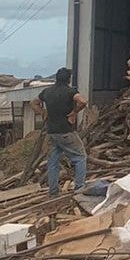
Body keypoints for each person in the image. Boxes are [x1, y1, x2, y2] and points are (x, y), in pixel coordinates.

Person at [36, 67, 88, 198]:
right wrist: (74, 112)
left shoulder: (47, 92)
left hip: (52, 132)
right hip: (66, 131)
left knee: (53, 162)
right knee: (80, 157)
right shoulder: (70, 91)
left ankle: (53, 191)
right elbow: (83, 101)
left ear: (56, 78)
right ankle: (79, 188)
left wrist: (43, 113)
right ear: (68, 79)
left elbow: (33, 103)